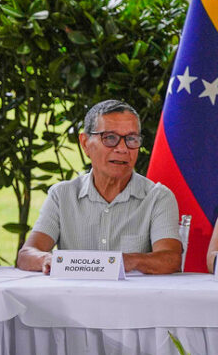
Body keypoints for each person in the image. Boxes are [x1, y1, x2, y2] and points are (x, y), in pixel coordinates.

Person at [17, 99, 182, 274]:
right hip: (72, 297)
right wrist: (48, 259)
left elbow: (171, 259)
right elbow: (26, 255)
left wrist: (128, 261)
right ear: (85, 143)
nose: (122, 149)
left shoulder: (157, 197)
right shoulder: (62, 195)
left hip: (134, 299)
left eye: (131, 139)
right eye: (110, 138)